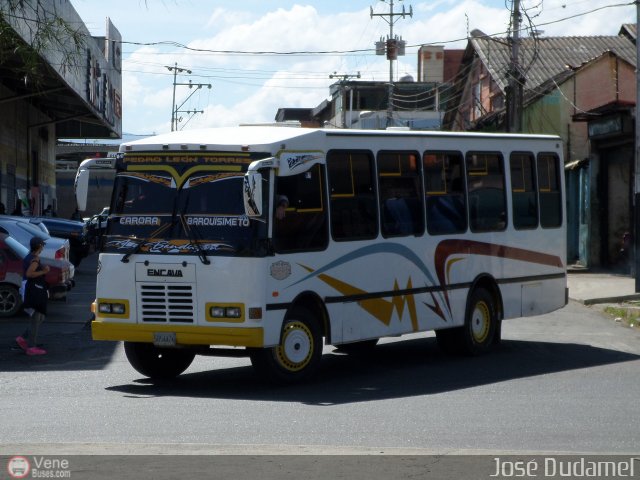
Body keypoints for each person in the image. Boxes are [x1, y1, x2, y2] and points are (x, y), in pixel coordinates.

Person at [15, 237, 50, 356]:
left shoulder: (29, 256)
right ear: (39, 246)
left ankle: (24, 338)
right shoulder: (35, 259)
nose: (43, 247)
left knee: (39, 317)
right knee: (36, 317)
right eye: (43, 245)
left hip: (28, 288)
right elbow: (29, 274)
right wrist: (44, 271)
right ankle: (31, 347)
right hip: (32, 290)